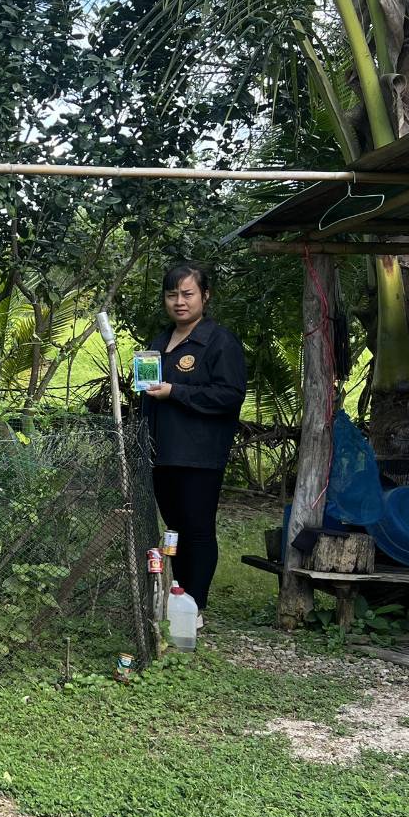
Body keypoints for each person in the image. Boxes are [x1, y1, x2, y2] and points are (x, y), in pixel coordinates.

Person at [140, 262, 247, 626]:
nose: (180, 302)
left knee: (197, 528)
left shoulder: (220, 341)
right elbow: (148, 396)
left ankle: (195, 606)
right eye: (173, 295)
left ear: (205, 296)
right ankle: (178, 595)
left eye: (187, 294)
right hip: (161, 452)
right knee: (174, 527)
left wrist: (176, 392)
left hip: (199, 454)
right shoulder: (159, 342)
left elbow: (229, 396)